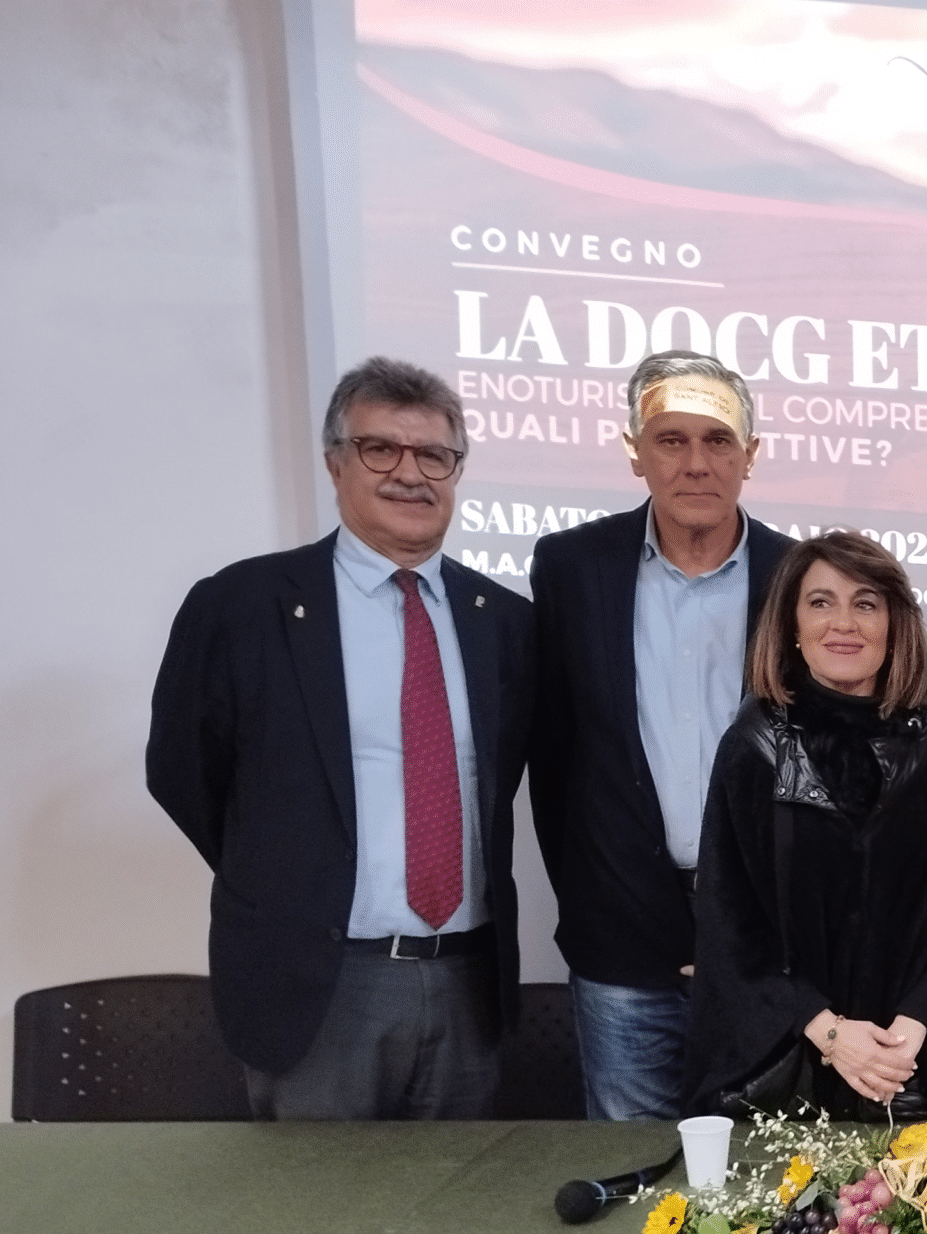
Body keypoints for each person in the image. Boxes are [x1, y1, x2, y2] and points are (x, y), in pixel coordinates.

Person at [147, 357, 534, 1119]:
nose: (410, 474)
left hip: (467, 982)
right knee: (314, 1229)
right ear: (334, 462)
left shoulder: (506, 622)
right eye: (379, 449)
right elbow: (183, 772)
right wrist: (283, 872)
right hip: (319, 984)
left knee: (455, 1226)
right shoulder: (243, 605)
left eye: (434, 456)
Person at [528, 351, 795, 1119]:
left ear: (751, 455)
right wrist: (598, 886)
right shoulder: (572, 567)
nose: (695, 463)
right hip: (623, 945)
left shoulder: (799, 575)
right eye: (671, 440)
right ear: (635, 451)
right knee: (629, 1176)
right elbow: (555, 756)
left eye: (717, 441)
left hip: (767, 946)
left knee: (770, 1179)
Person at [681, 532, 927, 1121]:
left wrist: (912, 1028)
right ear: (792, 626)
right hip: (787, 1069)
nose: (843, 624)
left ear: (892, 624)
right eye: (821, 602)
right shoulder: (752, 747)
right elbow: (730, 926)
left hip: (910, 1066)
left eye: (865, 603)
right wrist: (830, 1034)